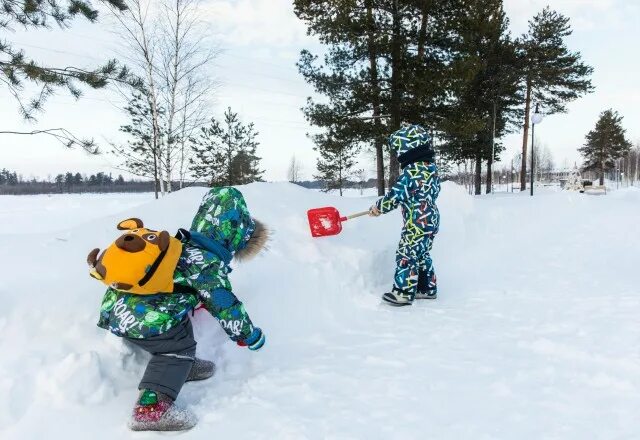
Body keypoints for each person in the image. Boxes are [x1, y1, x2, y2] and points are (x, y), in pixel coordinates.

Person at [87, 187, 268, 431]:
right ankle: (149, 410)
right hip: (142, 321)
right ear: (234, 238)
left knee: (178, 326)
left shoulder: (178, 244)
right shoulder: (207, 264)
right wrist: (248, 335)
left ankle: (183, 367)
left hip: (116, 308)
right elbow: (225, 305)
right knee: (175, 349)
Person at [369, 125, 441, 306]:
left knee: (406, 253)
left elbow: (395, 196)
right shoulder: (431, 170)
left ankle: (403, 292)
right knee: (422, 253)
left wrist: (379, 208)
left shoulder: (411, 174)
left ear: (408, 150)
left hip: (417, 220)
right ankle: (427, 288)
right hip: (431, 218)